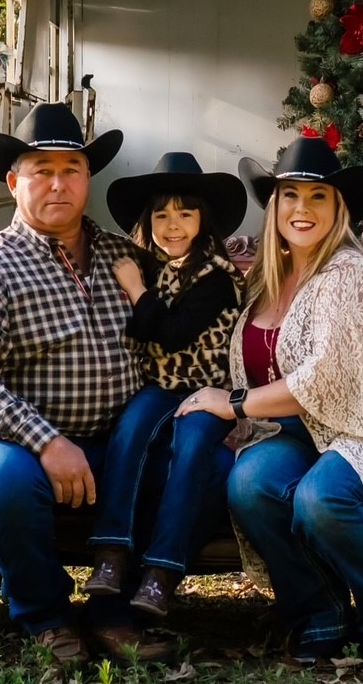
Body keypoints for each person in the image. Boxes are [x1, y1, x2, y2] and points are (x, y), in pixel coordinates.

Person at [176, 136, 363, 662]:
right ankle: (318, 613)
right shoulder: (266, 278)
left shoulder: (347, 272)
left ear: (338, 210)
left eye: (318, 197)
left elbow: (324, 378)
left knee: (320, 499)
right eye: (290, 195)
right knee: (249, 484)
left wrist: (233, 403)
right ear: (275, 206)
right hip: (292, 432)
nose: (302, 209)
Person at [0, 102, 173, 666]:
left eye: (72, 170)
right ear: (14, 182)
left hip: (117, 436)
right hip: (9, 438)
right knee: (6, 484)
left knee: (186, 462)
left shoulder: (127, 257)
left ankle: (116, 613)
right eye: (42, 171)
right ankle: (47, 616)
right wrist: (47, 442)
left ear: (88, 179)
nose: (59, 184)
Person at [83, 152, 246, 618]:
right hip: (159, 384)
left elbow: (171, 333)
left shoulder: (216, 275)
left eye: (185, 214)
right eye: (161, 216)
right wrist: (139, 285)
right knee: (131, 430)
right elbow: (139, 328)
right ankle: (111, 551)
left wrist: (136, 290)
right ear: (147, 222)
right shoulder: (148, 264)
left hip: (206, 390)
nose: (173, 226)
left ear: (203, 220)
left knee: (191, 449)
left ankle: (162, 571)